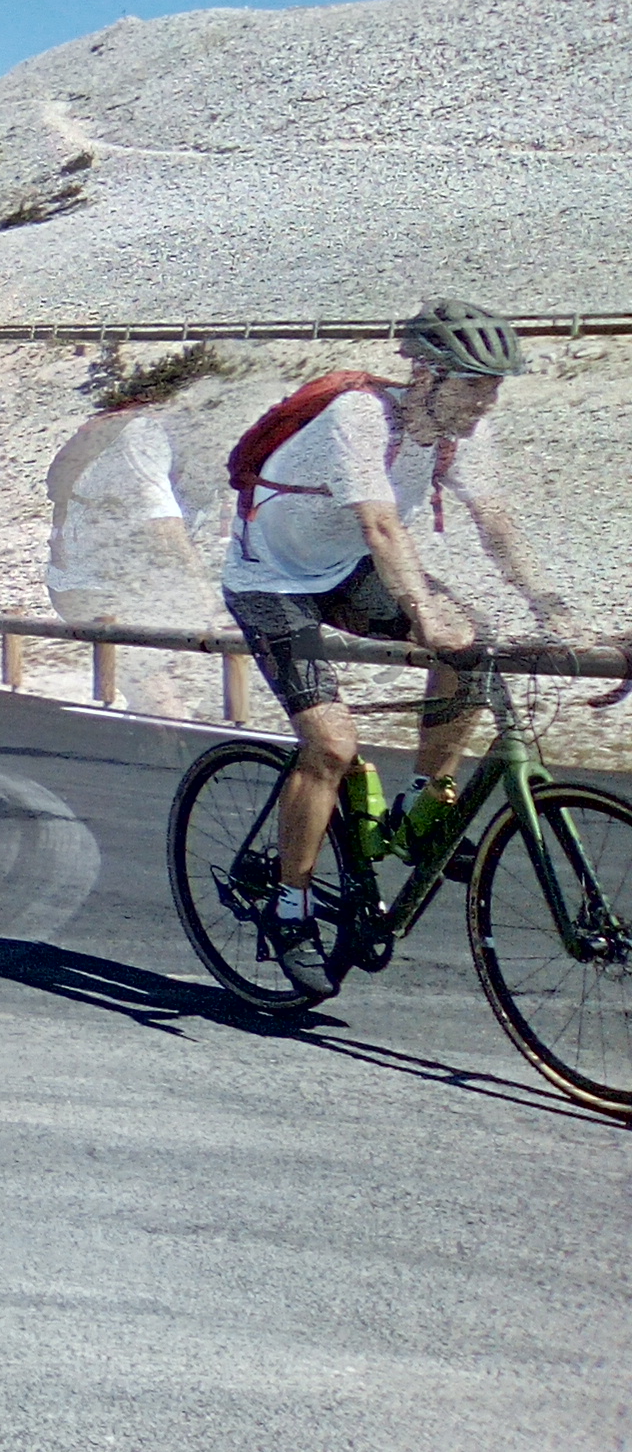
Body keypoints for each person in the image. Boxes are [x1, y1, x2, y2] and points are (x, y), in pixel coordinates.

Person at [222, 298, 574, 998]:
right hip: (271, 581)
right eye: (474, 384)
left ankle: (422, 807)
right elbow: (381, 526)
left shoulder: (463, 433)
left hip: (346, 572)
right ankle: (289, 908)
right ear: (425, 375)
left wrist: (556, 609)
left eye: (493, 388)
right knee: (331, 746)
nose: (485, 401)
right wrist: (422, 613)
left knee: (474, 646)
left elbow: (496, 522)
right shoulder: (357, 416)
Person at [46, 397, 211, 716]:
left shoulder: (162, 438)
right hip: (96, 585)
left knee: (160, 694)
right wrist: (204, 592)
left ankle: (152, 735)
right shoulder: (142, 435)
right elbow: (164, 529)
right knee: (160, 699)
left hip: (108, 580)